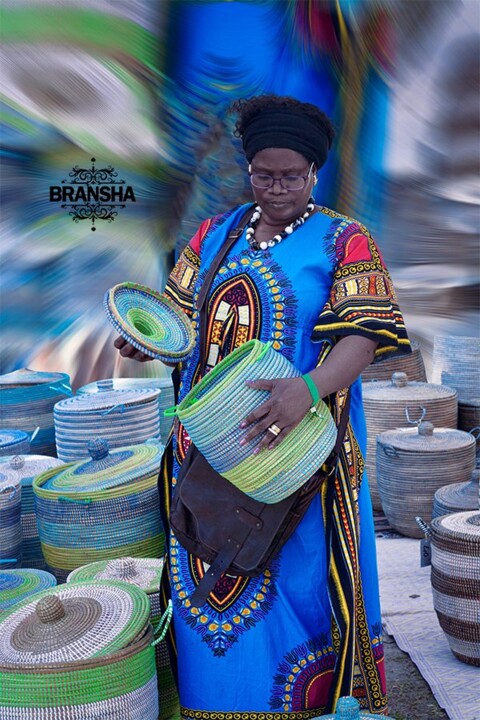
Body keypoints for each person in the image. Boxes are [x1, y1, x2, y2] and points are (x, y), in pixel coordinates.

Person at [114, 94, 411, 716]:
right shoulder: (215, 234)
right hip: (210, 450)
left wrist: (308, 388)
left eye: (291, 176)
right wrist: (147, 341)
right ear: (248, 169)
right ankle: (212, 704)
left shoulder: (343, 240)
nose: (276, 188)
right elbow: (179, 321)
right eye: (263, 174)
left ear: (314, 173)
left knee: (301, 577)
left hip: (301, 452)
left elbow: (365, 334)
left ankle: (310, 705)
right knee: (208, 573)